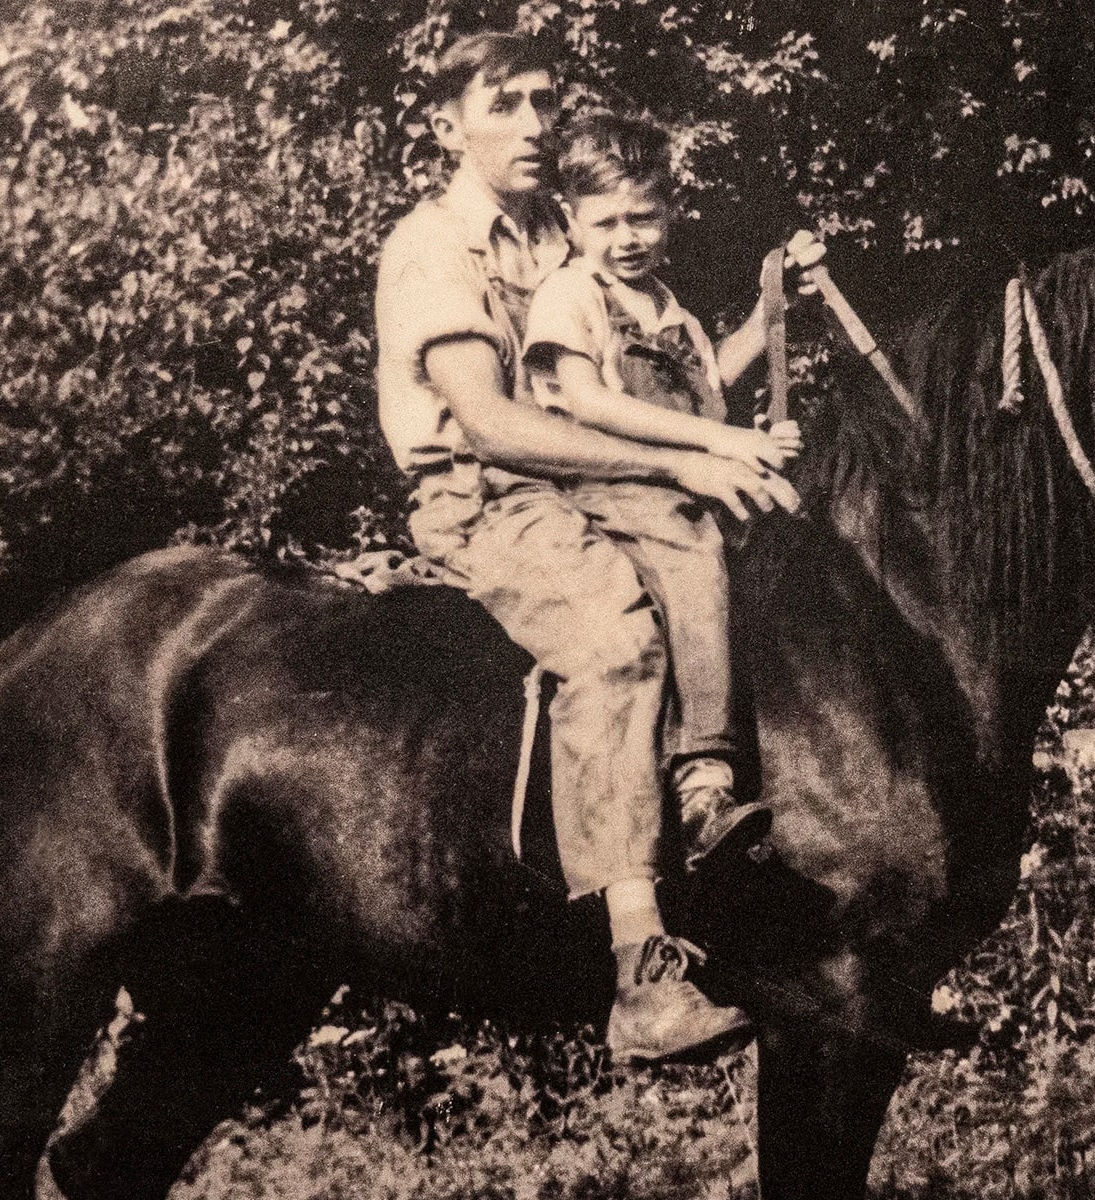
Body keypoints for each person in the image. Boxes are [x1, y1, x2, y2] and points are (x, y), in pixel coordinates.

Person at [370, 31, 801, 1064]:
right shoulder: (435, 248)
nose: (532, 125)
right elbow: (495, 424)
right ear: (445, 125)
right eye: (504, 104)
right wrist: (677, 465)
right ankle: (639, 973)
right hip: (485, 497)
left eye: (543, 102)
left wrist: (765, 313)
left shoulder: (561, 240)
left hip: (577, 477)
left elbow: (643, 379)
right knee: (614, 642)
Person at [522, 112, 818, 874]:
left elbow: (711, 386)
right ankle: (702, 780)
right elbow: (589, 402)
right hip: (610, 482)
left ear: (671, 212)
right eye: (607, 221)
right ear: (570, 221)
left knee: (786, 535)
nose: (627, 237)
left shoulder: (670, 307)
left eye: (644, 217)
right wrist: (723, 443)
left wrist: (772, 307)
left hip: (682, 480)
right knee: (693, 545)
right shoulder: (569, 295)